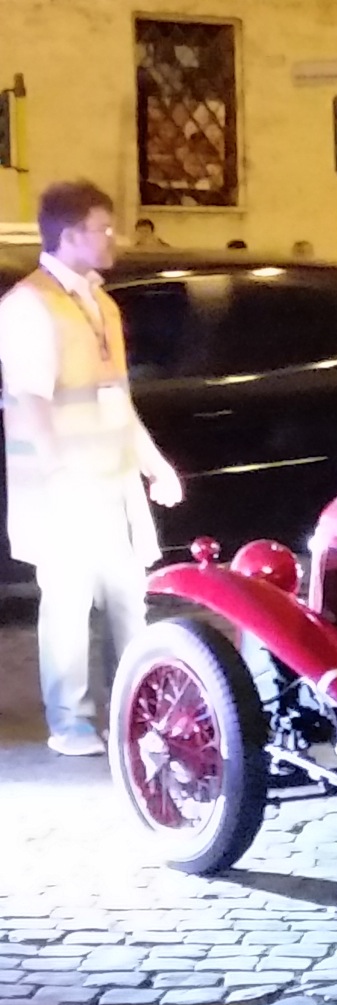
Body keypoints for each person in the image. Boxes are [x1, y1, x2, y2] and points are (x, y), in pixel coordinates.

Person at [0, 181, 183, 756]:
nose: (115, 239)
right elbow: (29, 401)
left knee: (129, 598)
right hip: (64, 486)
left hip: (112, 479)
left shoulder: (101, 303)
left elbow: (116, 397)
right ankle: (71, 722)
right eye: (104, 228)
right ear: (72, 234)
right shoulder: (29, 305)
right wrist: (59, 476)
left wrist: (154, 465)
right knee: (70, 603)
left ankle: (136, 708)